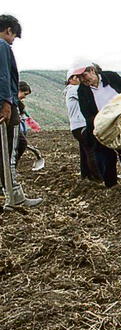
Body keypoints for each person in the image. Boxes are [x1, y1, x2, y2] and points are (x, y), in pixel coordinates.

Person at [73, 63, 121, 193]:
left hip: (120, 122)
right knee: (105, 155)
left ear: (92, 71)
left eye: (84, 75)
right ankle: (111, 185)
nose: (83, 80)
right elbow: (87, 113)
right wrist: (101, 121)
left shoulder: (111, 77)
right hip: (101, 125)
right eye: (79, 77)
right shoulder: (82, 90)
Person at [0, 14, 42, 211]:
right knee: (10, 151)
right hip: (5, 107)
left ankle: (10, 193)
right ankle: (14, 197)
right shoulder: (2, 45)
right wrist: (7, 103)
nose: (13, 41)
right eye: (14, 36)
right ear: (9, 30)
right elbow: (4, 77)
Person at [65, 68, 101, 181]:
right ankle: (98, 177)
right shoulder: (74, 90)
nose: (79, 79)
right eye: (76, 77)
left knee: (85, 150)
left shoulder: (69, 90)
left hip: (76, 125)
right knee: (91, 150)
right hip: (81, 124)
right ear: (71, 79)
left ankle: (86, 175)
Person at [15, 81, 45, 168]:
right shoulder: (12, 103)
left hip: (19, 129)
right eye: (25, 94)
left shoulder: (19, 105)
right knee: (22, 144)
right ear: (19, 90)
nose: (24, 97)